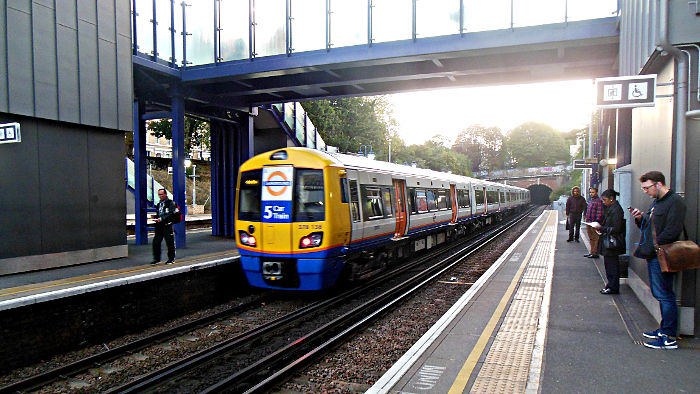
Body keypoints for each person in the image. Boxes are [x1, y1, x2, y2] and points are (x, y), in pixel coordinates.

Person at [630, 171, 685, 350]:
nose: (645, 191)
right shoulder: (657, 202)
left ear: (659, 184)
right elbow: (651, 225)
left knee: (665, 295)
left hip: (662, 255)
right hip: (655, 254)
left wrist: (656, 246)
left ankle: (668, 337)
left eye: (647, 187)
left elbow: (672, 231)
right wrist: (640, 218)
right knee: (661, 294)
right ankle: (663, 330)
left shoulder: (675, 202)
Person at [591, 189, 625, 294]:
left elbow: (616, 228)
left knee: (612, 266)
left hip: (612, 243)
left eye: (605, 200)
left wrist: (601, 228)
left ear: (612, 199)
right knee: (609, 265)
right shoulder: (611, 208)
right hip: (609, 241)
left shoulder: (616, 210)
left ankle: (613, 287)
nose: (604, 202)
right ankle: (610, 285)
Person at [152, 188, 180, 265]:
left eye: (161, 194)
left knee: (170, 243)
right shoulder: (159, 204)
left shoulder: (170, 203)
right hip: (159, 226)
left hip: (167, 225)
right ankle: (156, 259)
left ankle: (171, 259)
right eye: (159, 194)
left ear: (165, 194)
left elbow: (171, 214)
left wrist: (161, 218)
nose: (160, 196)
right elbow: (160, 213)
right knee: (156, 242)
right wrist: (155, 217)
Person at [584, 187, 604, 258]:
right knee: (591, 238)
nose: (591, 194)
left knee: (595, 238)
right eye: (590, 192)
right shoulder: (591, 201)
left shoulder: (599, 201)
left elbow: (600, 213)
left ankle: (595, 253)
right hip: (589, 222)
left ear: (596, 192)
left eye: (593, 192)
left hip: (594, 223)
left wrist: (597, 222)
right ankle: (591, 252)